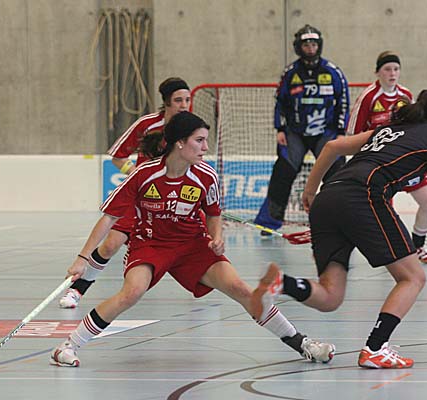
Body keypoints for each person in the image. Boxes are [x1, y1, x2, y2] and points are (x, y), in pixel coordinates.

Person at [49, 111, 335, 367]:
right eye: (199, 140)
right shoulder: (145, 175)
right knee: (131, 293)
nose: (205, 147)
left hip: (192, 244)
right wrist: (82, 258)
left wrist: (217, 237)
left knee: (241, 288)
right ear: (179, 143)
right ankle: (68, 345)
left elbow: (213, 213)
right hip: (150, 244)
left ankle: (303, 344)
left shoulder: (206, 176)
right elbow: (109, 218)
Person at [251, 89, 427, 369]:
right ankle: (376, 348)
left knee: (330, 297)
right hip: (364, 197)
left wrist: (310, 190)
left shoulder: (387, 129)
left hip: (328, 196)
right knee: (413, 277)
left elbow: (332, 147)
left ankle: (282, 283)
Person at [58, 77, 192, 308]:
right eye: (178, 100)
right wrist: (136, 173)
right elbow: (118, 156)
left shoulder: (191, 127)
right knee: (111, 243)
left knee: (192, 244)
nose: (184, 105)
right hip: (142, 196)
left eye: (187, 100)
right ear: (167, 102)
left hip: (174, 199)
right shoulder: (147, 125)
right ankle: (77, 290)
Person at [254, 24, 350, 233]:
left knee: (336, 174)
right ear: (298, 47)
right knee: (282, 173)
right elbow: (280, 102)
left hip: (326, 133)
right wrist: (280, 129)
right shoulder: (290, 73)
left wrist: (341, 131)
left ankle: (341, 221)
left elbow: (343, 101)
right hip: (295, 133)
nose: (310, 48)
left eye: (314, 44)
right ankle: (268, 223)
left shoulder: (333, 71)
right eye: (306, 44)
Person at [348, 52, 427, 264]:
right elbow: (353, 133)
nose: (392, 73)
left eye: (396, 69)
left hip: (404, 161)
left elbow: (416, 126)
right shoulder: (368, 97)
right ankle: (389, 251)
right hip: (380, 166)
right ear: (377, 72)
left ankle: (418, 246)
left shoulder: (405, 95)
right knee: (385, 210)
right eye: (387, 69)